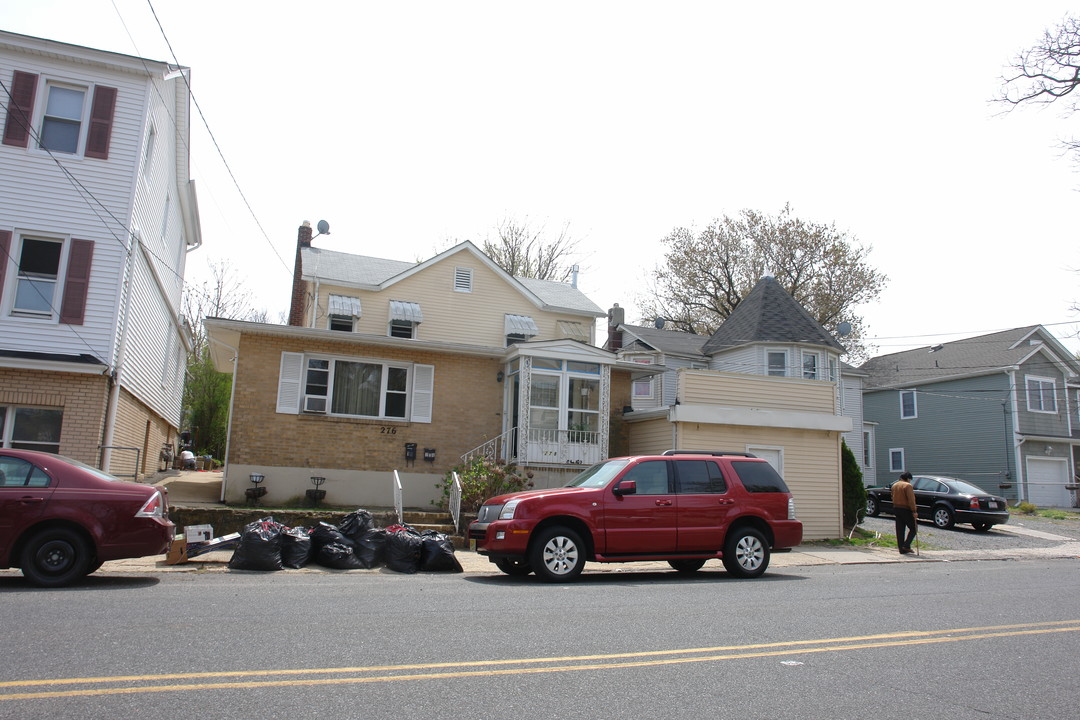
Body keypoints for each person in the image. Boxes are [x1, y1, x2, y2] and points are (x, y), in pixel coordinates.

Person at [891, 471, 918, 555]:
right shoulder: (908, 486)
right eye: (910, 479)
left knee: (900, 529)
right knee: (914, 528)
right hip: (906, 509)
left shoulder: (894, 485)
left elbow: (892, 497)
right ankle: (906, 545)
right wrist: (914, 511)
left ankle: (901, 549)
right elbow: (911, 500)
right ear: (908, 478)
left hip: (896, 508)